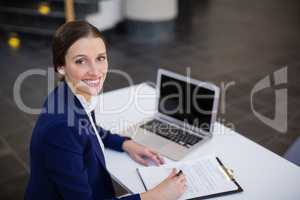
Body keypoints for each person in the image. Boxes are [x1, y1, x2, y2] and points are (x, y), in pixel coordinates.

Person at [25, 21, 187, 200]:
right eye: (81, 61)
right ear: (61, 67)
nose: (95, 71)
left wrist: (125, 144)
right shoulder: (61, 127)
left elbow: (89, 130)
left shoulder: (71, 93)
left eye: (100, 58)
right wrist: (156, 196)